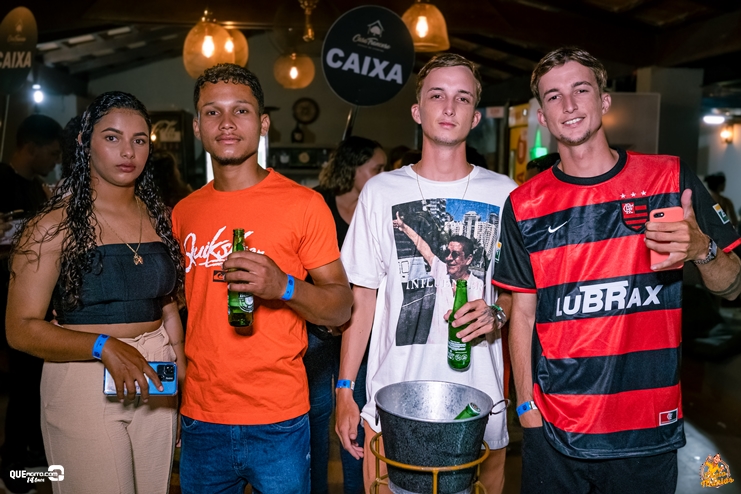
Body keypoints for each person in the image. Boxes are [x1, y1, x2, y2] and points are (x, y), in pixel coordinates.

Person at [493, 47, 741, 494]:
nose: (569, 105)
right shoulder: (524, 204)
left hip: (647, 429)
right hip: (555, 429)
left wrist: (702, 249)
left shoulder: (670, 179)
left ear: (604, 100)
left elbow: (733, 286)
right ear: (543, 116)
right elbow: (523, 313)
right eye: (553, 96)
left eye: (581, 90)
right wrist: (526, 406)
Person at [336, 53, 517, 494]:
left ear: (476, 117)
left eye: (462, 98)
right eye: (438, 96)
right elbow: (362, 299)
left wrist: (497, 313)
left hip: (480, 406)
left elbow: (518, 293)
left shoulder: (506, 194)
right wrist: (344, 389)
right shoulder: (380, 192)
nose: (449, 107)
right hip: (393, 404)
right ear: (418, 111)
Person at [171, 63, 353, 494]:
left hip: (279, 418)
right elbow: (175, 307)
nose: (227, 123)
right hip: (202, 415)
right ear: (197, 127)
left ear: (263, 123)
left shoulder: (304, 204)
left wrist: (283, 286)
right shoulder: (184, 212)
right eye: (212, 112)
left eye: (241, 110)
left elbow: (341, 306)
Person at [6, 91, 186, 494]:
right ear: (84, 142)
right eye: (112, 137)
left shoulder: (158, 217)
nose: (128, 151)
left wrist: (181, 369)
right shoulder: (51, 226)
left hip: (156, 372)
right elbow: (19, 328)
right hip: (85, 375)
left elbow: (166, 303)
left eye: (139, 140)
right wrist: (103, 345)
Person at [305, 136, 385, 494]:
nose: (384, 173)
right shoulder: (317, 203)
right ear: (353, 167)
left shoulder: (378, 207)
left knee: (358, 417)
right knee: (317, 416)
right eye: (377, 168)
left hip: (362, 330)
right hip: (318, 332)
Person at [0, 114, 62, 494]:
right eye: (52, 153)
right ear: (31, 147)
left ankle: (35, 467)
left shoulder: (40, 190)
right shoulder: (1, 181)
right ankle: (12, 472)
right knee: (23, 390)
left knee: (37, 386)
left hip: (35, 302)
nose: (55, 161)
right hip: (8, 302)